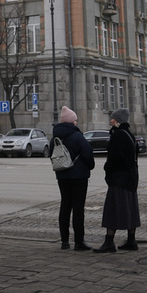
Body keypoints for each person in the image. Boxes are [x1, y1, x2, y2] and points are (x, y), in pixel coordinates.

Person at [94, 108, 140, 252]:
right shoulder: (129, 134)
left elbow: (115, 158)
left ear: (119, 120)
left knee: (113, 209)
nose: (111, 121)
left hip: (119, 178)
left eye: (113, 118)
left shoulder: (118, 135)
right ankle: (131, 240)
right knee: (130, 208)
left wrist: (107, 169)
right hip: (130, 177)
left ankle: (109, 242)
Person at [50, 106, 95, 251]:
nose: (76, 122)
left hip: (62, 175)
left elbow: (51, 154)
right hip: (79, 176)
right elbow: (88, 154)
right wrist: (89, 166)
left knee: (65, 206)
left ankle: (64, 241)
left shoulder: (55, 137)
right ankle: (79, 242)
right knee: (78, 208)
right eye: (75, 120)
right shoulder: (77, 136)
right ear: (71, 122)